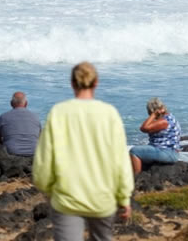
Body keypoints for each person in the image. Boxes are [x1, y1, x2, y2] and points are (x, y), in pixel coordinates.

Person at [33, 62, 134, 241]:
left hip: (67, 198)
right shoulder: (109, 113)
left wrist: (47, 190)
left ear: (72, 83)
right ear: (96, 82)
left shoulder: (59, 112)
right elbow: (121, 161)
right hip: (103, 198)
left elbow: (44, 160)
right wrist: (124, 197)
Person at [128, 97, 181, 174]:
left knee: (134, 151)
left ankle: (137, 176)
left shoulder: (164, 121)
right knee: (141, 151)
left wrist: (153, 115)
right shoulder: (169, 117)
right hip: (170, 152)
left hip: (167, 153)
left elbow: (143, 128)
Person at [0, 90, 42, 156]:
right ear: (26, 104)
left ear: (11, 103)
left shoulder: (3, 117)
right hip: (33, 154)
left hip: (11, 154)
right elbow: (41, 138)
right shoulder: (35, 117)